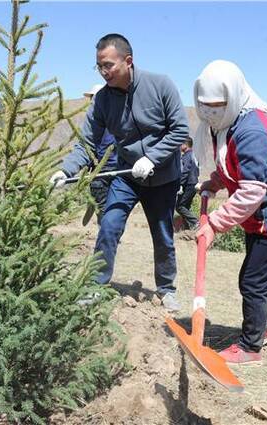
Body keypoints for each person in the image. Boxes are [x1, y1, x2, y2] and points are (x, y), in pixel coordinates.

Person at [50, 34, 189, 311]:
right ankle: (95, 285)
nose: (104, 72)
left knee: (162, 235)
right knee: (109, 225)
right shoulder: (102, 100)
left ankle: (166, 289)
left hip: (162, 177)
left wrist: (153, 157)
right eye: (99, 67)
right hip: (126, 175)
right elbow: (87, 142)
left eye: (108, 65)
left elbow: (180, 131)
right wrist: (65, 170)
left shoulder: (160, 85)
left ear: (128, 61)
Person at [194, 60, 267, 364]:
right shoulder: (227, 125)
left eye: (217, 106)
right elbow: (234, 165)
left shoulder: (252, 130)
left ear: (233, 97)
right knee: (263, 272)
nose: (210, 113)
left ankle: (250, 345)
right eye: (205, 107)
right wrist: (215, 182)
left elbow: (252, 190)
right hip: (260, 215)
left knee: (252, 279)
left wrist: (214, 224)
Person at [82, 84, 118, 225]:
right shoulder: (114, 117)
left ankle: (106, 235)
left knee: (103, 206)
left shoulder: (100, 122)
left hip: (102, 170)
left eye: (92, 98)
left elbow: (93, 146)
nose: (90, 101)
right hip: (112, 169)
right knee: (109, 205)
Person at [175, 137, 200, 230]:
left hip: (188, 184)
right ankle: (187, 228)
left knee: (180, 206)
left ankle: (196, 222)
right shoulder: (194, 155)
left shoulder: (187, 156)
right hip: (193, 183)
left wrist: (180, 184)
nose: (179, 146)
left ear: (185, 145)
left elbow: (185, 171)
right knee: (185, 207)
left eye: (180, 144)